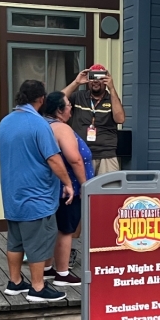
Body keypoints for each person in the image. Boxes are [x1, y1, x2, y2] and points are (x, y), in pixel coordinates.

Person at [0, 80, 75, 303]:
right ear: (41, 99)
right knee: (38, 242)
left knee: (15, 241)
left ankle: (15, 283)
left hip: (12, 194)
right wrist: (67, 183)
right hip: (36, 195)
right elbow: (53, 159)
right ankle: (38, 288)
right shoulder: (39, 124)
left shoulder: (5, 122)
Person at [43, 91, 94, 287]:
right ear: (59, 110)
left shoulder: (44, 126)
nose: (71, 107)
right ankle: (63, 273)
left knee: (54, 228)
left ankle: (47, 268)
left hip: (53, 187)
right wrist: (84, 185)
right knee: (66, 229)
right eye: (68, 105)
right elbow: (75, 159)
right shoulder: (61, 128)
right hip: (69, 188)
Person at [61, 64, 125, 174]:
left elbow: (120, 119)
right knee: (83, 189)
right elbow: (56, 100)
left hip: (106, 155)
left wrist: (112, 88)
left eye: (99, 77)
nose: (95, 81)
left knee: (108, 190)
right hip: (81, 153)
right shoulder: (79, 96)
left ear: (105, 80)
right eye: (92, 77)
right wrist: (76, 82)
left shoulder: (112, 99)